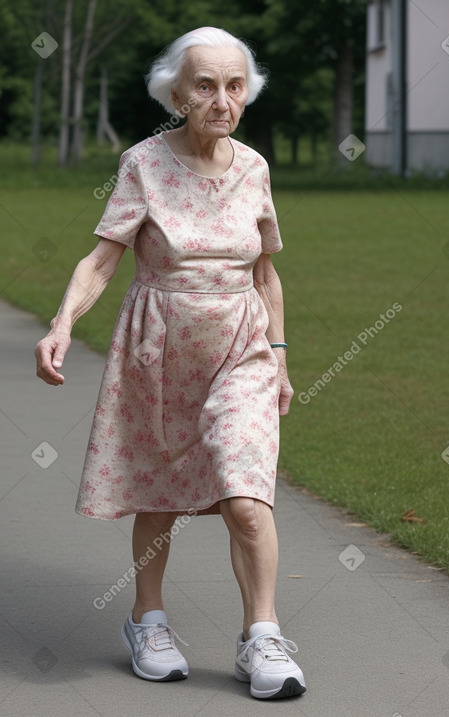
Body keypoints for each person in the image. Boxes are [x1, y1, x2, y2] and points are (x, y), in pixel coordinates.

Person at [34, 26, 306, 701]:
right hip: (159, 349)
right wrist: (63, 322)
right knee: (159, 492)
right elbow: (103, 258)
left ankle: (262, 634)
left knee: (246, 495)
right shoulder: (143, 164)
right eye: (206, 85)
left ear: (248, 93)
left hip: (240, 349)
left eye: (234, 85)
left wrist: (278, 355)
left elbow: (267, 273)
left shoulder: (254, 168)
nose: (222, 99)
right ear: (177, 93)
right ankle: (147, 620)